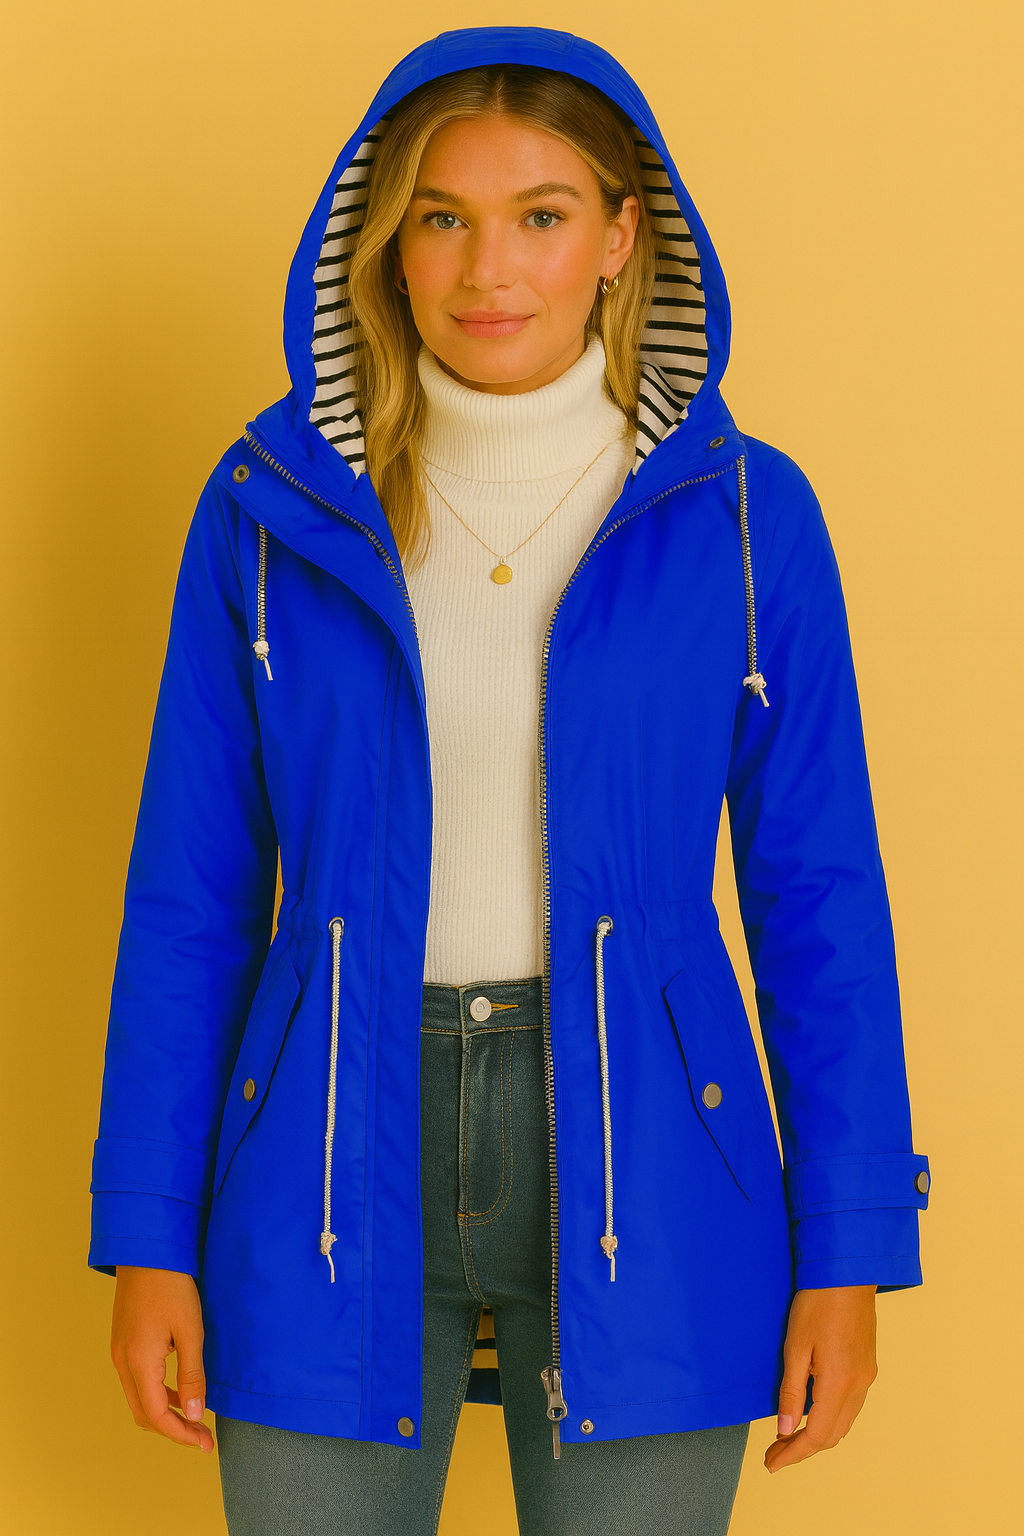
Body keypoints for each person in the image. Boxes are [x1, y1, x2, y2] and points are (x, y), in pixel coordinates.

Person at [89, 25, 931, 1536]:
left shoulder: (747, 518)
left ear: (619, 236)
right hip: (324, 1154)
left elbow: (820, 896)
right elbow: (190, 897)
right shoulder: (267, 511)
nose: (489, 270)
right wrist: (149, 1232)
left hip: (657, 1158)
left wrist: (849, 1247)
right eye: (443, 217)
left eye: (541, 215)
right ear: (388, 243)